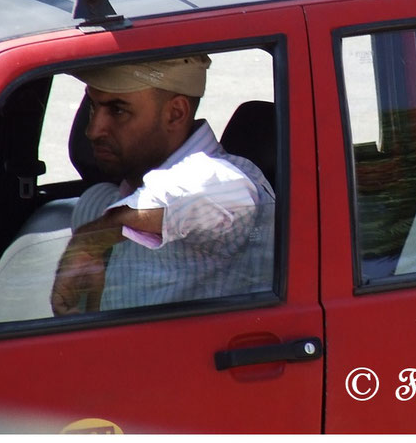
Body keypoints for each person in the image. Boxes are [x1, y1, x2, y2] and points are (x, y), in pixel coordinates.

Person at [50, 55, 275, 315]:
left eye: (118, 110)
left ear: (175, 114)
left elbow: (184, 195)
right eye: (93, 107)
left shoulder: (226, 180)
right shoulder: (97, 205)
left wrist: (88, 243)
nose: (93, 129)